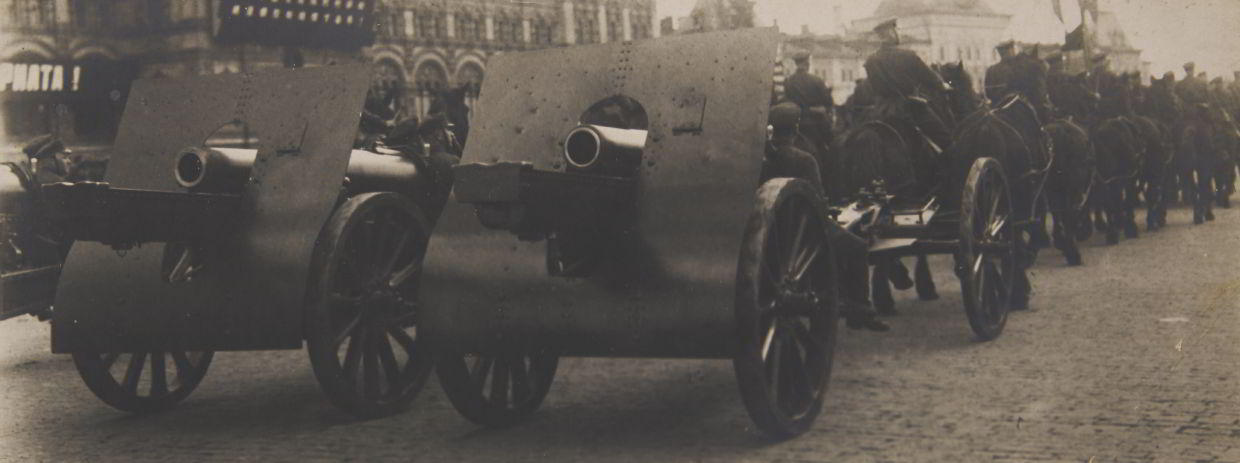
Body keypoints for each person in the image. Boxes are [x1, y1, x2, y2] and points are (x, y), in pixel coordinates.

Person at [764, 102, 889, 332]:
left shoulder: (762, 158)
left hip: (770, 231)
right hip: (802, 231)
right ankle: (860, 309)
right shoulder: (804, 159)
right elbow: (816, 201)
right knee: (857, 247)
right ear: (796, 129)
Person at [862, 18, 954, 153]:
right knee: (946, 140)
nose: (899, 33)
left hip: (880, 111)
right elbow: (929, 78)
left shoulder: (870, 61)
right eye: (897, 30)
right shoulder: (908, 55)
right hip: (910, 108)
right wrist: (943, 85)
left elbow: (872, 88)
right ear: (891, 33)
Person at [783, 52, 835, 153]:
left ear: (796, 64)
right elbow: (829, 102)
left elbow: (787, 101)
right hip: (816, 124)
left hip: (796, 125)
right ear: (807, 64)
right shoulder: (817, 80)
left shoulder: (788, 81)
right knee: (830, 148)